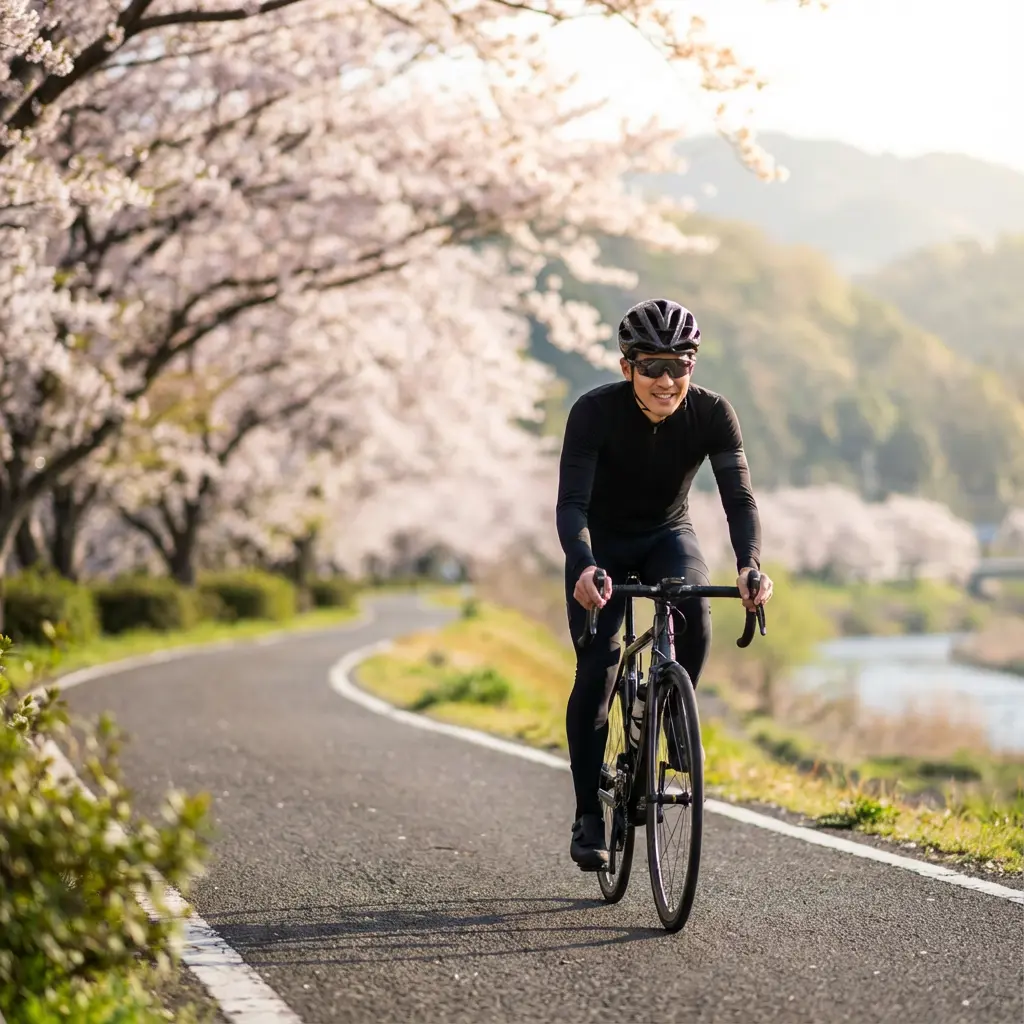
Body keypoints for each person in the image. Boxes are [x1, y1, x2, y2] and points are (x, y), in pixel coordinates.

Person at [555, 297, 773, 871]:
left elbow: (738, 499)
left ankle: (667, 712)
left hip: (666, 535)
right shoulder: (593, 413)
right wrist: (581, 566)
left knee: (696, 614)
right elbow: (572, 504)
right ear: (627, 366)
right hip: (599, 544)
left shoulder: (712, 413)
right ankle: (587, 814)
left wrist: (750, 564)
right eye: (652, 365)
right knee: (597, 672)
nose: (666, 380)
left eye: (680, 365)